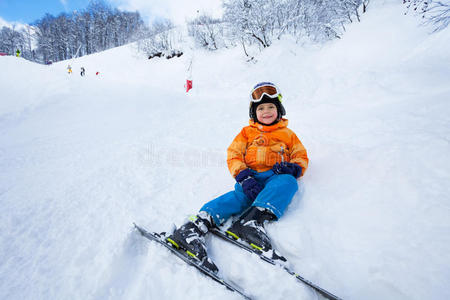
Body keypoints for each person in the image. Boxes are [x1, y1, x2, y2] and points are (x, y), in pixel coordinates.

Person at [167, 82, 309, 273]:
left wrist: (293, 168)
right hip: (250, 179)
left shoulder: (289, 135)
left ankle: (250, 223)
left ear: (279, 110)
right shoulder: (246, 133)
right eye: (261, 108)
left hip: (275, 178)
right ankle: (193, 228)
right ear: (254, 112)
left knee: (288, 182)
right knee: (237, 198)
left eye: (271, 107)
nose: (266, 111)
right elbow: (234, 154)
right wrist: (243, 176)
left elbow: (301, 155)